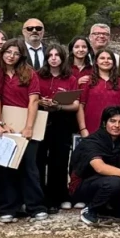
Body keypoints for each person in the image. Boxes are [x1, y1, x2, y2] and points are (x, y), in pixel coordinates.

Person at [0, 39, 47, 222]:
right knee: (6, 167)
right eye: (8, 52)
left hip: (26, 125)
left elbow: (34, 100)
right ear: (3, 52)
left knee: (29, 167)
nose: (11, 56)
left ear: (21, 55)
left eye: (16, 53)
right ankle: (8, 208)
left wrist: (29, 126)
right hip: (5, 125)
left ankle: (35, 206)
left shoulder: (29, 73)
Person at [38, 44, 80, 211]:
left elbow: (76, 105)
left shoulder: (70, 79)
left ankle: (58, 196)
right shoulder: (37, 76)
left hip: (62, 122)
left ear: (63, 58)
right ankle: (40, 197)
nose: (53, 58)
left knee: (59, 161)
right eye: (50, 55)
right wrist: (41, 102)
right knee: (39, 160)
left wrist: (59, 106)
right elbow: (32, 98)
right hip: (41, 121)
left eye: (57, 55)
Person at [78, 48, 120, 138]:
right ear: (96, 62)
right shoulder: (87, 81)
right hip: (92, 129)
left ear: (114, 62)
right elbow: (80, 106)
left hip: (116, 130)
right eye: (102, 58)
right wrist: (83, 129)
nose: (106, 61)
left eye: (109, 58)